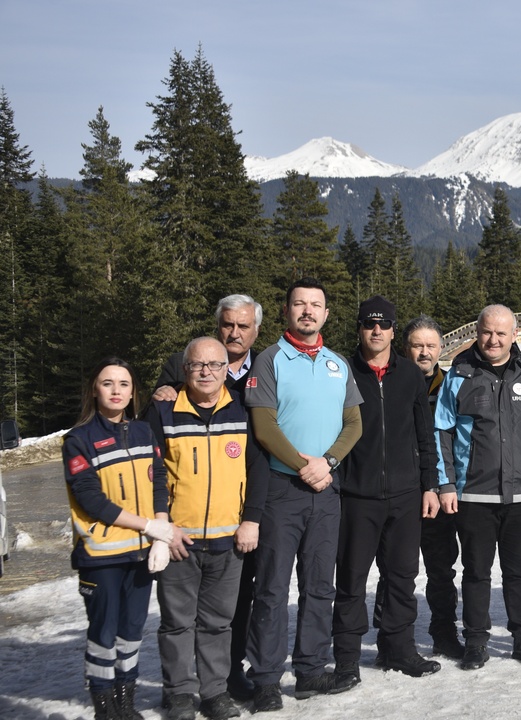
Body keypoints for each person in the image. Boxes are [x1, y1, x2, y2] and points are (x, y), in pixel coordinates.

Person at [243, 278, 363, 711]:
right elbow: (264, 427)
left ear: (327, 314)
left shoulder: (338, 364)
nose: (308, 311)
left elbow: (354, 424)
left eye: (316, 305)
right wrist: (303, 465)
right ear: (286, 311)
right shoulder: (270, 361)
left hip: (325, 492)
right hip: (282, 490)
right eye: (300, 304)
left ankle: (311, 670)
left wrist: (326, 463)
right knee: (272, 588)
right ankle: (267, 679)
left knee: (319, 586)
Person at [145, 338, 267, 720]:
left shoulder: (242, 409)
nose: (207, 372)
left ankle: (214, 692)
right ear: (184, 369)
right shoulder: (163, 410)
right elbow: (152, 473)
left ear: (224, 369)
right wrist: (162, 528)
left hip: (228, 539)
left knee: (218, 624)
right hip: (180, 539)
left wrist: (252, 519)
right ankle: (179, 694)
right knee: (177, 623)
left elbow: (257, 469)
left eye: (215, 365)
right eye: (198, 365)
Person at [332, 297, 442, 684]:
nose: (376, 331)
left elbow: (423, 435)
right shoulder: (340, 372)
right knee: (351, 578)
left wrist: (429, 485)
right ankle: (346, 657)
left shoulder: (411, 375)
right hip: (356, 495)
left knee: (401, 576)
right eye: (368, 324)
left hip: (405, 492)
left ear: (395, 330)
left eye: (384, 324)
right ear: (360, 328)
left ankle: (398, 648)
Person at [435, 305, 521, 670]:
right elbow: (443, 432)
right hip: (474, 495)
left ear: (514, 335)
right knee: (476, 572)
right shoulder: (459, 374)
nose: (493, 340)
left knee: (518, 572)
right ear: (477, 332)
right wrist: (447, 483)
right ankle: (476, 641)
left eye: (501, 333)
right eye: (487, 332)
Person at [63, 358, 172, 720]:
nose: (116, 391)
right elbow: (90, 498)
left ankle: (127, 702)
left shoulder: (143, 432)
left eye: (123, 384)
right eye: (107, 383)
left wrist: (161, 530)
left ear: (133, 391)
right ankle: (105, 707)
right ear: (95, 389)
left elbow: (159, 480)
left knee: (131, 632)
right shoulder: (79, 439)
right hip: (102, 556)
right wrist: (147, 526)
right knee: (104, 634)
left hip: (140, 555)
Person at [371, 315, 463, 658]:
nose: (424, 352)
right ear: (404, 347)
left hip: (440, 491)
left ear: (442, 348)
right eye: (417, 345)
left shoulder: (451, 386)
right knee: (393, 570)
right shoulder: (386, 384)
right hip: (399, 491)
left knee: (441, 569)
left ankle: (444, 633)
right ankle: (390, 639)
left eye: (431, 345)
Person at [154, 294, 262, 395]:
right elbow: (153, 410)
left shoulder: (267, 369)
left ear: (257, 330)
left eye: (243, 327)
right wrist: (162, 394)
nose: (234, 334)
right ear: (218, 326)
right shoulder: (180, 365)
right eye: (228, 325)